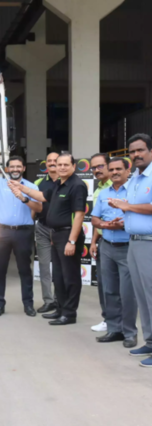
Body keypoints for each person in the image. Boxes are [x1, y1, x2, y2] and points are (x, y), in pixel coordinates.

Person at [10, 153, 87, 325]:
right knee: (58, 276)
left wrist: (72, 241)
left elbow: (79, 215)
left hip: (68, 236)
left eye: (66, 165)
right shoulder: (58, 184)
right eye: (59, 164)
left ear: (73, 166)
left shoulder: (77, 185)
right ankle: (60, 309)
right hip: (56, 234)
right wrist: (21, 188)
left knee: (70, 277)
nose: (61, 167)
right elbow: (41, 196)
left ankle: (70, 313)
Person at [0, 142, 42, 317]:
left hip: (24, 232)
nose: (15, 169)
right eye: (12, 166)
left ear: (24, 168)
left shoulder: (31, 187)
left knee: (25, 270)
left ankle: (28, 304)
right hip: (2, 232)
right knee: (0, 269)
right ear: (7, 168)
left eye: (19, 166)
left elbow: (39, 208)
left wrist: (23, 198)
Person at [109, 134, 152, 367]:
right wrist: (124, 214)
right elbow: (134, 209)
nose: (136, 155)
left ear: (150, 151)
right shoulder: (135, 178)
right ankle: (150, 342)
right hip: (134, 241)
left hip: (149, 242)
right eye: (132, 152)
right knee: (142, 296)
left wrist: (127, 206)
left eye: (140, 150)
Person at [91, 157, 138, 348]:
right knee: (109, 290)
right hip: (107, 246)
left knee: (127, 294)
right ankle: (114, 329)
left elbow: (140, 216)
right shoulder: (103, 193)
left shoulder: (134, 192)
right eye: (112, 169)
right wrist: (103, 224)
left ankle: (129, 333)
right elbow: (94, 218)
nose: (115, 172)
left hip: (127, 247)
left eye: (119, 169)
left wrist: (123, 225)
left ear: (128, 170)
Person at [34, 152, 59, 313]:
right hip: (42, 228)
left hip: (62, 230)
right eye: (49, 161)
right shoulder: (38, 183)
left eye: (55, 161)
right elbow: (34, 204)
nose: (51, 163)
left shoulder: (69, 183)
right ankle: (48, 301)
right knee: (44, 267)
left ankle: (59, 300)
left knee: (60, 268)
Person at [89, 153, 112, 333]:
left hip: (119, 242)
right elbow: (97, 220)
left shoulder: (118, 187)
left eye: (100, 166)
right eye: (94, 167)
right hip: (103, 241)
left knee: (118, 286)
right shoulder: (99, 190)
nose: (97, 170)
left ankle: (122, 321)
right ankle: (107, 318)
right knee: (103, 284)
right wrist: (94, 242)